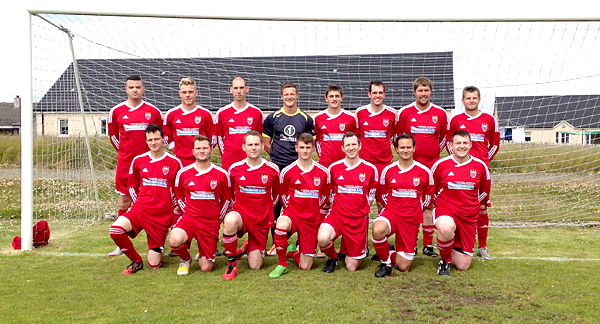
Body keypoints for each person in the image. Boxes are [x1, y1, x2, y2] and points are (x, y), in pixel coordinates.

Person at [108, 124, 182, 274]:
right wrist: (139, 204)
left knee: (154, 265)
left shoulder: (175, 162)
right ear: (146, 141)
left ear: (163, 139)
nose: (153, 142)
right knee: (115, 230)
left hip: (160, 218)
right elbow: (131, 186)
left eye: (156, 139)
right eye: (150, 140)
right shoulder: (138, 161)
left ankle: (157, 244)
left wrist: (169, 209)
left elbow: (179, 191)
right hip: (140, 210)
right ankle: (136, 260)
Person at [107, 75, 163, 257]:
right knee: (124, 201)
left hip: (149, 165)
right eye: (131, 87)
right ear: (126, 89)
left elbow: (160, 136)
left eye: (138, 87)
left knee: (152, 201)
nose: (135, 90)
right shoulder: (116, 111)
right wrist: (126, 154)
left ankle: (156, 241)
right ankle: (121, 243)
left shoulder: (153, 112)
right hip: (125, 164)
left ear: (143, 89)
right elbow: (114, 137)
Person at [395, 76, 448, 257]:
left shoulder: (440, 113)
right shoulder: (404, 112)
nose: (423, 94)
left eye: (426, 90)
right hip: (410, 165)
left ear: (430, 92)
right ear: (415, 92)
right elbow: (398, 138)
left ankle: (427, 244)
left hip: (432, 164)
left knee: (429, 204)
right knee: (406, 200)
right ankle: (405, 240)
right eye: (420, 90)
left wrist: (432, 153)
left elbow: (443, 139)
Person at [446, 86, 499, 260]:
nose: (471, 101)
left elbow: (495, 145)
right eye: (468, 98)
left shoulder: (489, 119)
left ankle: (482, 247)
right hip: (460, 169)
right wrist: (458, 162)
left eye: (474, 98)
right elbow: (449, 143)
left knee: (481, 206)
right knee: (458, 204)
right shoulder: (455, 120)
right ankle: (457, 242)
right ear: (463, 101)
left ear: (479, 99)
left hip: (480, 170)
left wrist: (483, 163)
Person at [262, 82, 315, 256]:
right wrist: (276, 156)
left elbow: (309, 143)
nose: (289, 97)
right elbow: (266, 142)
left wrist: (298, 160)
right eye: (286, 94)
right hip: (278, 166)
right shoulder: (272, 118)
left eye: (292, 94)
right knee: (275, 203)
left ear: (297, 95)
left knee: (301, 202)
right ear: (282, 96)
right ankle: (277, 243)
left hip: (299, 167)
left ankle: (301, 243)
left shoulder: (306, 119)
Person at [372, 134, 434, 277]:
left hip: (411, 219)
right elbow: (382, 195)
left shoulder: (424, 171)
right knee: (378, 229)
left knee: (403, 266)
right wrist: (393, 208)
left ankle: (389, 251)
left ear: (414, 148)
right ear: (397, 149)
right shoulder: (388, 170)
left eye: (408, 147)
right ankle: (385, 263)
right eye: (402, 147)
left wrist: (414, 210)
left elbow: (428, 199)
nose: (405, 150)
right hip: (392, 213)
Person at [268, 133, 330, 278]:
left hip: (311, 219)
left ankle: (290, 252)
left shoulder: (323, 172)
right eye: (302, 147)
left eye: (308, 147)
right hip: (293, 214)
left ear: (313, 148)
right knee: (281, 225)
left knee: (305, 266)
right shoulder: (287, 171)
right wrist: (290, 210)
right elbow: (283, 195)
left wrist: (312, 209)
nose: (305, 151)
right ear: (296, 148)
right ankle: (282, 264)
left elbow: (324, 196)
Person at [221, 131, 280, 280]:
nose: (253, 148)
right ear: (244, 147)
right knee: (229, 220)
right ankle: (232, 265)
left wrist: (265, 207)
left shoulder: (273, 169)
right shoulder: (234, 169)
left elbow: (277, 195)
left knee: (255, 266)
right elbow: (230, 194)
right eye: (250, 145)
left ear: (262, 146)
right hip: (242, 216)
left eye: (256, 144)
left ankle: (248, 246)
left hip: (261, 220)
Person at [431, 130, 491, 276]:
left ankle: (446, 245)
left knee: (463, 265)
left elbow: (484, 191)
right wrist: (439, 205)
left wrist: (470, 205)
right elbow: (431, 189)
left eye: (465, 143)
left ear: (471, 145)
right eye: (458, 143)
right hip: (446, 210)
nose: (461, 146)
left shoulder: (480, 166)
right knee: (446, 227)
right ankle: (444, 261)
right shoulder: (440, 165)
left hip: (468, 217)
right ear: (451, 145)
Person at [317, 132, 378, 273]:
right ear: (343, 148)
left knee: (351, 267)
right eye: (348, 145)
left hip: (357, 219)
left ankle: (353, 250)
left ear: (360, 146)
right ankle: (333, 257)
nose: (351, 148)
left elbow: (371, 195)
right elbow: (330, 191)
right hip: (337, 216)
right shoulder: (333, 168)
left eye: (354, 144)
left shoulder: (370, 169)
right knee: (322, 238)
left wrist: (360, 208)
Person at [169, 135, 231, 275]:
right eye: (198, 148)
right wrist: (189, 212)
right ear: (193, 151)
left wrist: (217, 220)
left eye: (205, 148)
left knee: (206, 267)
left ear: (211, 150)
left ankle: (205, 250)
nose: (201, 151)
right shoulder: (183, 173)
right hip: (190, 219)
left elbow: (226, 200)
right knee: (174, 239)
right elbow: (178, 196)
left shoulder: (221, 174)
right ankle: (186, 259)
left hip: (210, 222)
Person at [356, 80, 397, 213]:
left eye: (380, 93)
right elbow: (357, 137)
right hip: (365, 164)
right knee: (362, 202)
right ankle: (360, 233)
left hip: (384, 165)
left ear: (384, 95)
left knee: (383, 203)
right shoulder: (360, 113)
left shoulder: (392, 113)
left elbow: (392, 137)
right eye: (374, 93)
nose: (377, 96)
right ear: (369, 94)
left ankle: (381, 233)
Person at [163, 77, 216, 167]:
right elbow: (166, 137)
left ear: (196, 93)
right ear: (180, 94)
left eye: (190, 92)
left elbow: (213, 138)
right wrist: (177, 151)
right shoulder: (171, 114)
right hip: (180, 160)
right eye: (184, 92)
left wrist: (203, 152)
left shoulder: (206, 114)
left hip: (201, 161)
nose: (187, 95)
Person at [214, 77, 264, 171]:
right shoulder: (222, 113)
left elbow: (259, 137)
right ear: (231, 90)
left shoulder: (256, 113)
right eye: (236, 88)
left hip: (251, 161)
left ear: (247, 89)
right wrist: (225, 155)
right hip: (229, 162)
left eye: (241, 88)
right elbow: (219, 137)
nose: (239, 91)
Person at [314, 84, 359, 169]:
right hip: (325, 164)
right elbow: (317, 141)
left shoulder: (351, 118)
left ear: (341, 98)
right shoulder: (318, 118)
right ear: (326, 98)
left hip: (346, 164)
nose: (334, 99)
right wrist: (322, 157)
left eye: (337, 96)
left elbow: (356, 140)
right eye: (331, 96)